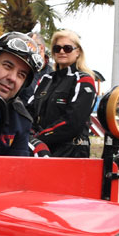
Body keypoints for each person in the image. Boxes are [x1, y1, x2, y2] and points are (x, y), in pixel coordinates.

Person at [29, 29, 98, 158]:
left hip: (70, 152)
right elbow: (29, 112)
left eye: (67, 48)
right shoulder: (46, 80)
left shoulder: (84, 80)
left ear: (78, 52)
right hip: (40, 150)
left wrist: (39, 138)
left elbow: (73, 123)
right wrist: (30, 136)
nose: (61, 51)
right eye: (57, 48)